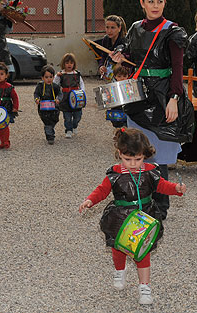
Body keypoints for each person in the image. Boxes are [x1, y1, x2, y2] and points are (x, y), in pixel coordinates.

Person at [110, 0, 195, 219]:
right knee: (137, 152)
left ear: (165, 2)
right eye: (150, 1)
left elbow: (177, 68)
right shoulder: (136, 28)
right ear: (142, 4)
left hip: (163, 97)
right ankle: (140, 202)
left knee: (161, 157)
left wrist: (174, 99)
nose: (155, 5)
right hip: (138, 98)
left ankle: (160, 208)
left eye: (159, 1)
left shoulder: (173, 31)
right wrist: (120, 56)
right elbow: (130, 54)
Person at [79, 128, 187, 305]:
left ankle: (144, 287)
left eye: (138, 159)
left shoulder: (151, 172)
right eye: (127, 159)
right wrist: (90, 200)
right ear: (119, 154)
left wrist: (175, 188)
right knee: (118, 248)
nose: (133, 164)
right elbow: (102, 190)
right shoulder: (114, 174)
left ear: (145, 155)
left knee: (142, 252)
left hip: (144, 216)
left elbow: (162, 186)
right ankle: (119, 270)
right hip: (120, 217)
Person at [53, 53, 85, 139]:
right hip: (65, 98)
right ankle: (68, 130)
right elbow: (55, 84)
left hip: (76, 98)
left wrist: (82, 92)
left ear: (74, 64)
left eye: (71, 63)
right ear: (63, 64)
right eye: (67, 63)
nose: (69, 64)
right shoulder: (61, 74)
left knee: (77, 115)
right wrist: (57, 76)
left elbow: (81, 84)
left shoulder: (77, 74)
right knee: (67, 117)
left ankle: (75, 125)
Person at [33, 65, 62, 145]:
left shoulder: (55, 86)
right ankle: (50, 136)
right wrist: (37, 99)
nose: (49, 79)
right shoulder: (40, 86)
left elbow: (60, 93)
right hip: (43, 108)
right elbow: (36, 93)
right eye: (46, 77)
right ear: (42, 78)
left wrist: (58, 99)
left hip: (54, 107)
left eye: (51, 77)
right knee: (47, 122)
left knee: (54, 120)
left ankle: (49, 130)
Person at [97, 15, 128, 81]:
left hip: (123, 74)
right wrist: (101, 66)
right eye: (107, 27)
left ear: (119, 28)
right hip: (110, 72)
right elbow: (103, 56)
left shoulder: (124, 40)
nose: (109, 31)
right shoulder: (106, 39)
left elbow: (129, 58)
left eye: (112, 28)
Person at [105, 65, 130, 129]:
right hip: (116, 109)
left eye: (124, 76)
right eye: (119, 76)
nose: (122, 78)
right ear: (115, 76)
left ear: (128, 76)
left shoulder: (129, 85)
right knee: (118, 126)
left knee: (127, 126)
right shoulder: (112, 86)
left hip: (127, 109)